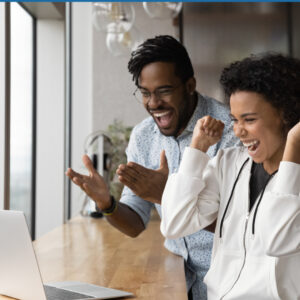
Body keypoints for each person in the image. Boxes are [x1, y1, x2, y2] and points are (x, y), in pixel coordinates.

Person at [66, 35, 238, 300]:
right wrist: (106, 203)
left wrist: (165, 194)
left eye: (164, 90)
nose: (153, 103)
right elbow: (135, 223)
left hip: (228, 280)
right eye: (145, 93)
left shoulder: (228, 129)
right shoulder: (144, 136)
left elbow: (244, 223)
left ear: (190, 85)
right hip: (176, 278)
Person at [161, 53, 300, 299]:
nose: (238, 131)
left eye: (249, 119)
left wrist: (294, 143)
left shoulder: (295, 179)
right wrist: (197, 150)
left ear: (286, 115)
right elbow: (174, 224)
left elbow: (278, 241)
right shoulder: (229, 163)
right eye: (235, 119)